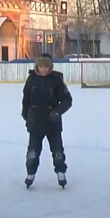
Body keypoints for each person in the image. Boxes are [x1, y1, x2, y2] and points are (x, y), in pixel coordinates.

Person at [21, 54, 73, 188]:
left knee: (57, 151)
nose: (43, 69)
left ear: (50, 67)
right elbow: (26, 99)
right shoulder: (32, 79)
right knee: (33, 151)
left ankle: (61, 172)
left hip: (52, 121)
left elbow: (67, 100)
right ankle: (30, 173)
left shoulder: (56, 80)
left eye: (46, 66)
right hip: (36, 120)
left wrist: (57, 112)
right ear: (37, 66)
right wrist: (26, 115)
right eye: (41, 66)